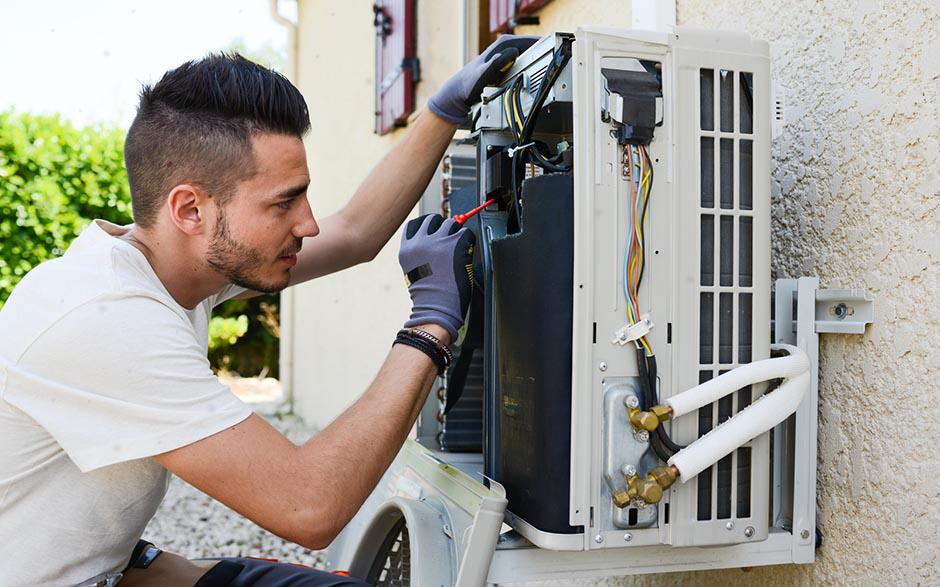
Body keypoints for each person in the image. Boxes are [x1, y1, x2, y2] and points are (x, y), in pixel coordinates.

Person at [0, 35, 537, 586]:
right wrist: (431, 323)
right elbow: (310, 506)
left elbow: (353, 232)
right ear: (190, 209)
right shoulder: (104, 318)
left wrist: (441, 113)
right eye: (284, 202)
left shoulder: (172, 270)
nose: (306, 223)